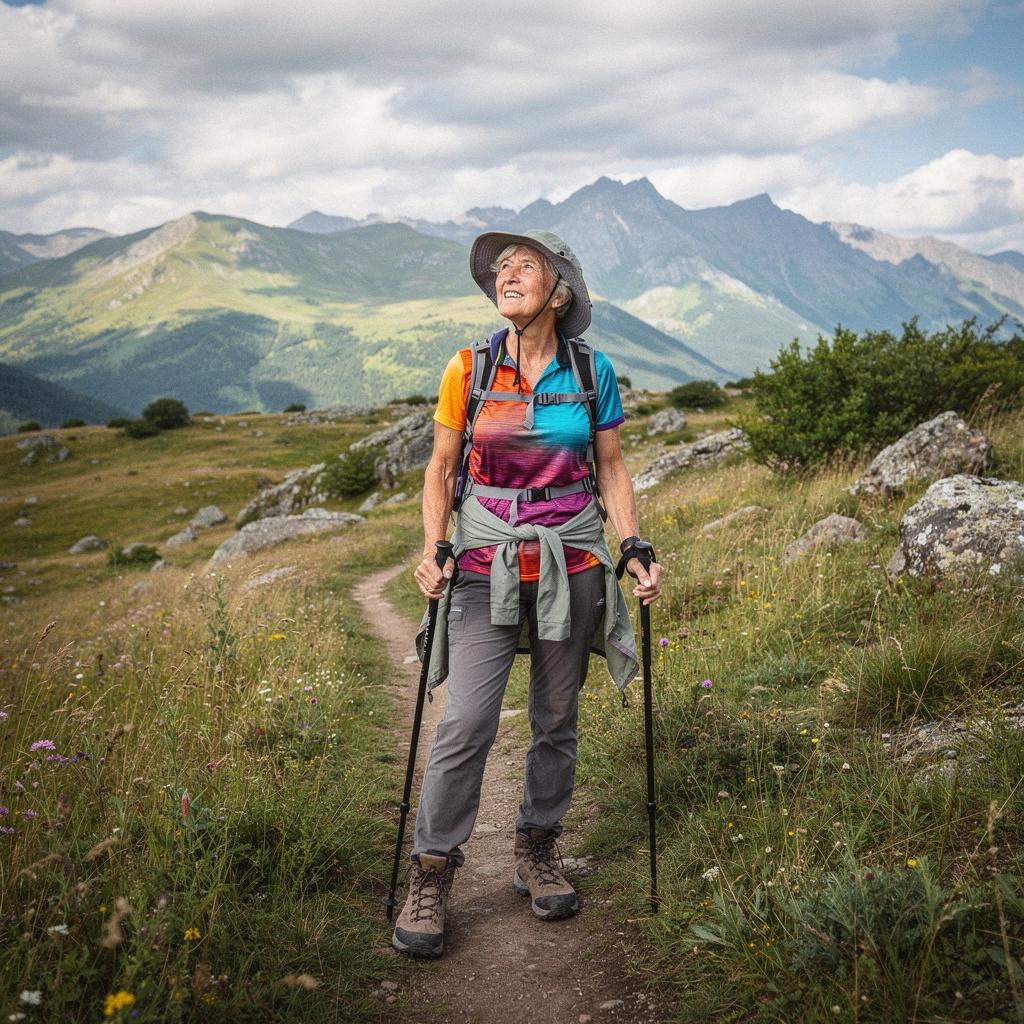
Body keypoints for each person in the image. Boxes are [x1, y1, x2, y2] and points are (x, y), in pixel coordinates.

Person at [391, 229, 663, 959]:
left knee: (555, 717)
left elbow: (610, 468)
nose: (507, 272)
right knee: (467, 722)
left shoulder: (590, 369)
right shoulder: (468, 369)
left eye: (526, 265)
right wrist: (433, 548)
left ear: (560, 292)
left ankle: (536, 851)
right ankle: (432, 872)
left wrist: (633, 546)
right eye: (500, 268)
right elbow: (442, 468)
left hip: (572, 559)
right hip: (483, 560)